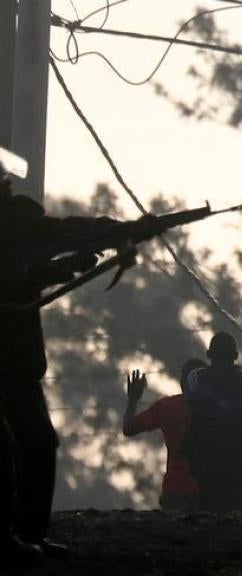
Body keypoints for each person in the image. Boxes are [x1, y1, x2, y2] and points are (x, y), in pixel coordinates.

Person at [0, 147, 154, 560]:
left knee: (38, 441)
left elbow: (67, 231)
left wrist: (120, 230)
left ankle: (29, 533)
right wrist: (48, 272)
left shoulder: (19, 221)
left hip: (17, 361)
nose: (9, 187)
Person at [184, 332, 242, 512]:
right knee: (236, 514)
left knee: (209, 511)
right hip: (239, 464)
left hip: (207, 463)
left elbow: (190, 406)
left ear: (209, 354)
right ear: (235, 356)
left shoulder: (198, 378)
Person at [122, 359, 207, 511]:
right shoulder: (219, 409)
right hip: (209, 491)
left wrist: (133, 400)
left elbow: (128, 428)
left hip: (175, 490)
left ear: (182, 382)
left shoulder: (168, 407)